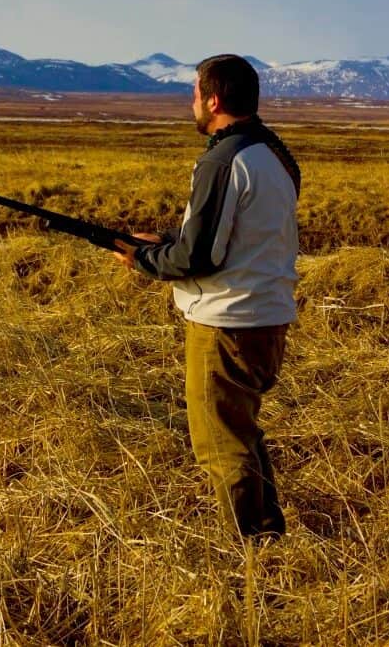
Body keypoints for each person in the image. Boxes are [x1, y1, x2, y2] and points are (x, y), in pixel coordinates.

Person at [113, 54, 300, 539]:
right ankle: (269, 541)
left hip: (226, 324)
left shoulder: (222, 159)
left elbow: (200, 257)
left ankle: (249, 558)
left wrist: (143, 260)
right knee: (242, 433)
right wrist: (164, 241)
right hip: (265, 316)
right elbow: (236, 235)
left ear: (214, 100)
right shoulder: (273, 153)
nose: (191, 102)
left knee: (221, 445)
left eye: (195, 94)